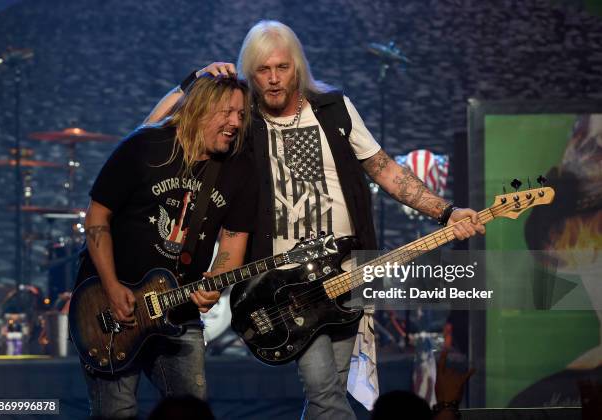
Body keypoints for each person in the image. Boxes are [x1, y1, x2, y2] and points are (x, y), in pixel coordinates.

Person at [147, 20, 485, 420]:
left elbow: (384, 169)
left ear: (297, 67)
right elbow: (152, 132)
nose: (273, 80)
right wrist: (193, 82)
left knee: (330, 392)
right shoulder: (241, 121)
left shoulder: (335, 109)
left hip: (348, 272)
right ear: (249, 74)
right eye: (262, 71)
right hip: (282, 285)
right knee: (325, 391)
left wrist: (446, 211)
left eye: (282, 68)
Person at [79, 74, 257, 418]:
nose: (236, 123)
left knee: (192, 410)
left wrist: (215, 284)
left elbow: (234, 241)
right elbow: (97, 218)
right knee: (116, 412)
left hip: (179, 310)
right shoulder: (145, 146)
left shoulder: (239, 167)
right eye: (228, 112)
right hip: (109, 305)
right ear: (201, 108)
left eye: (241, 114)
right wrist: (112, 287)